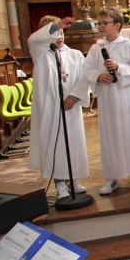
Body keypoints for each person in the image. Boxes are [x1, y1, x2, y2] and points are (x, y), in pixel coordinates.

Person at [82, 8, 130, 194]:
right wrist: (98, 76)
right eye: (99, 23)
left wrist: (118, 67)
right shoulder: (96, 48)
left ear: (117, 25)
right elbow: (86, 69)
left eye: (104, 23)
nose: (100, 26)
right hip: (108, 99)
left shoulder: (128, 45)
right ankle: (112, 178)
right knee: (110, 135)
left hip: (127, 98)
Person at [28, 16, 90, 200]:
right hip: (50, 107)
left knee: (72, 142)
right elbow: (33, 39)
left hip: (71, 107)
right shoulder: (40, 53)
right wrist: (55, 25)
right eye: (55, 33)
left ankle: (72, 178)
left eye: (62, 32)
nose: (59, 36)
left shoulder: (75, 54)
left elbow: (84, 77)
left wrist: (74, 96)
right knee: (54, 143)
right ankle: (59, 183)